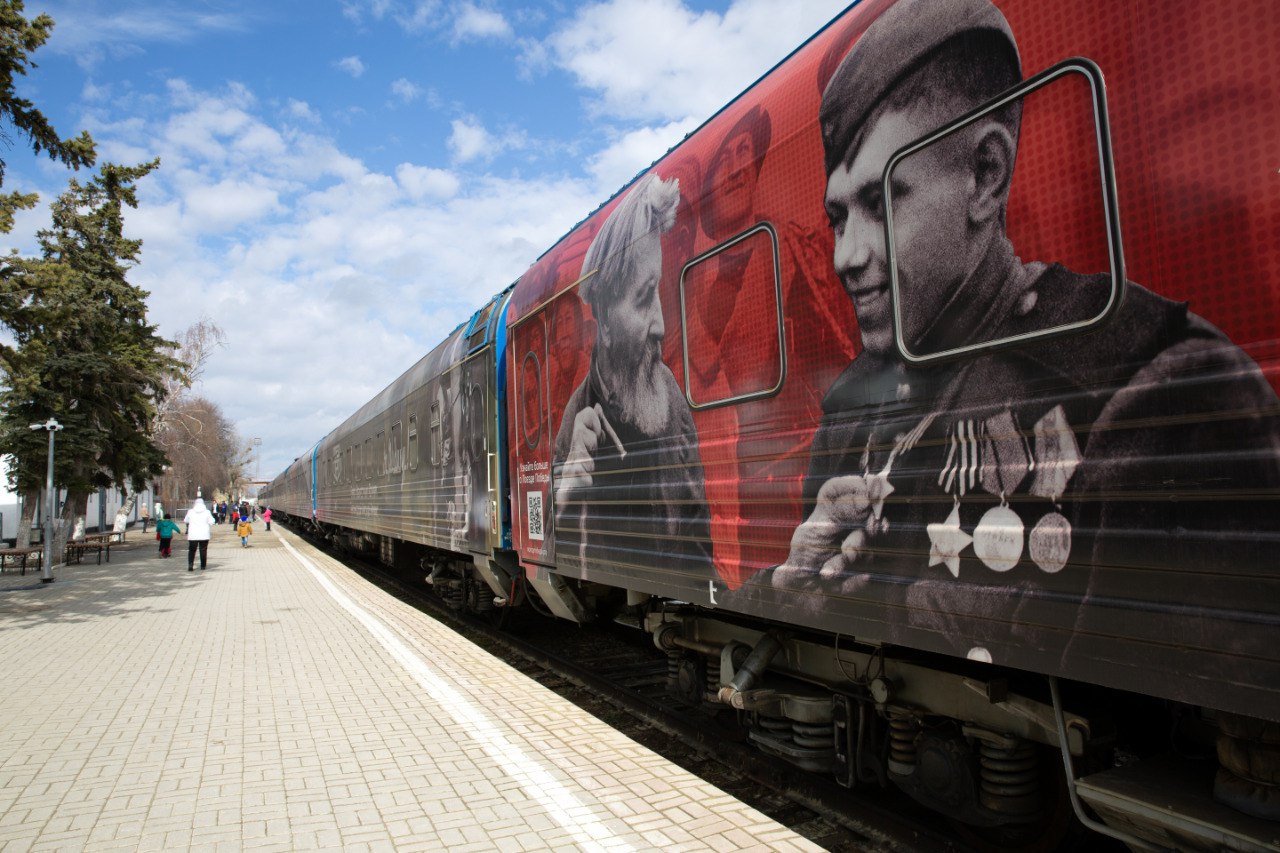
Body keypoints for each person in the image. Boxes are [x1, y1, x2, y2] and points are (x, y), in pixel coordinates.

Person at [735, 0, 1280, 686]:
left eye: (883, 201)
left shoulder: (1138, 377)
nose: (848, 253)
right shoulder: (853, 403)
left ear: (985, 175)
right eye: (839, 215)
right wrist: (794, 587)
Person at [553, 172, 715, 599]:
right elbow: (558, 550)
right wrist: (565, 500)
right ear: (604, 320)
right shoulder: (575, 422)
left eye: (658, 294)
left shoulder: (670, 398)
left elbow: (699, 540)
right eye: (644, 299)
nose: (661, 325)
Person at [182, 497, 215, 571]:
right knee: (203, 550)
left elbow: (186, 520)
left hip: (193, 535)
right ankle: (203, 566)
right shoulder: (207, 512)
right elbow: (212, 521)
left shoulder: (190, 511)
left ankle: (190, 565)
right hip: (204, 534)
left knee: (192, 550)